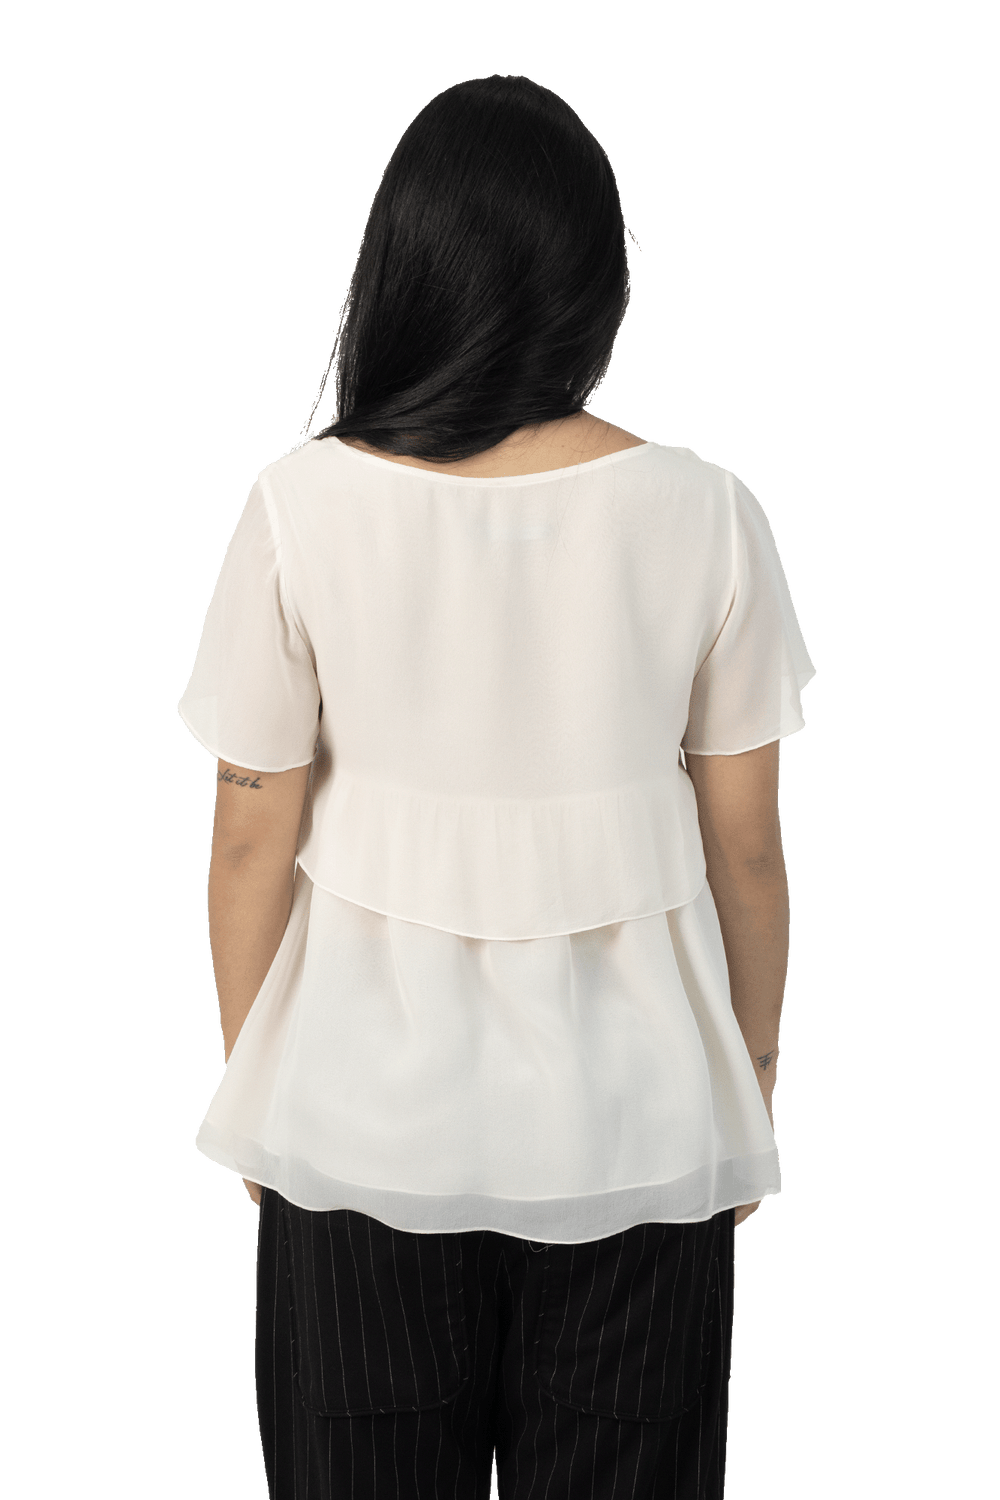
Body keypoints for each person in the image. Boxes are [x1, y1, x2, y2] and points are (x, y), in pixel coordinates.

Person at [176, 73, 816, 1500]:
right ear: (594, 290)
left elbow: (248, 834)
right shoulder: (708, 515)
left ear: (398, 271)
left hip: (355, 1129)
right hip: (641, 1132)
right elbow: (747, 850)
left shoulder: (300, 508)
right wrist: (754, 1077)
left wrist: (259, 1083)